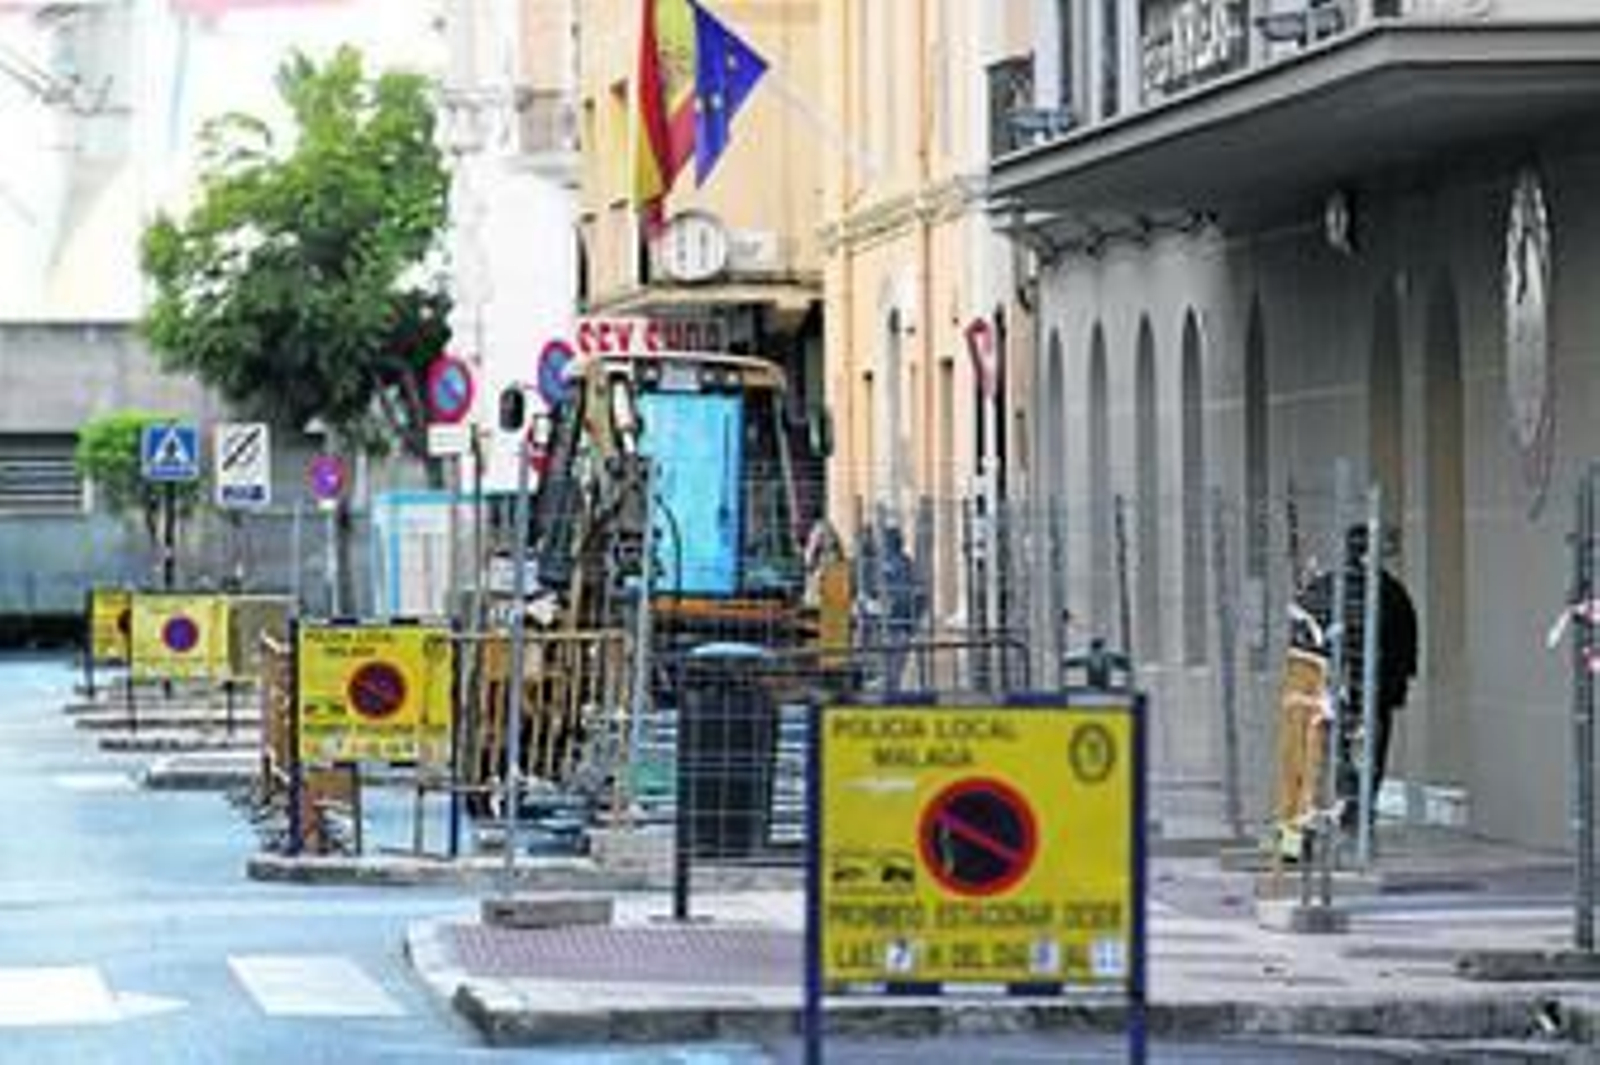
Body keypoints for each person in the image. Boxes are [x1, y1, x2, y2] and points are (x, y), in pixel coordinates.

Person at [1298, 525, 1418, 831]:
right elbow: (1405, 643)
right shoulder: (1388, 590)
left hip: (1352, 686)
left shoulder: (1336, 587)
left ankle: (1353, 802)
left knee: (1343, 747)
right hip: (1364, 687)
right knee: (1365, 749)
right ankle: (1357, 805)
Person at [879, 526, 926, 691]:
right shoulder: (905, 563)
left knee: (893, 662)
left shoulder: (891, 563)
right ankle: (893, 686)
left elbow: (917, 592)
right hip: (900, 620)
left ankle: (892, 688)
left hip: (895, 619)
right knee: (895, 662)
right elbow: (920, 592)